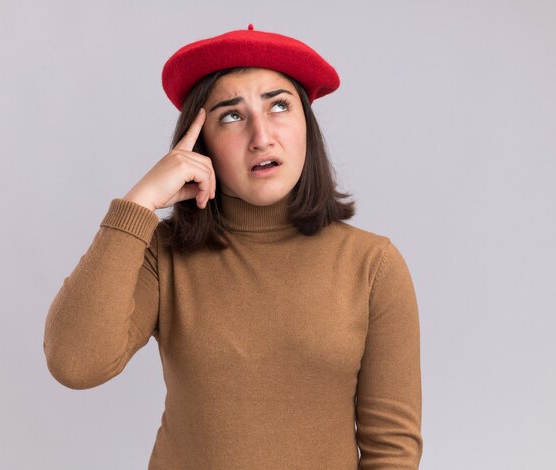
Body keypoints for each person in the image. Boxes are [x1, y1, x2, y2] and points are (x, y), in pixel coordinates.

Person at [43, 24, 423, 469]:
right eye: (231, 115)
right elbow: (74, 363)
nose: (261, 136)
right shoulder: (164, 254)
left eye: (279, 106)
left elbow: (391, 451)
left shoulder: (373, 265)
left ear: (306, 126)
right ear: (201, 145)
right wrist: (138, 203)